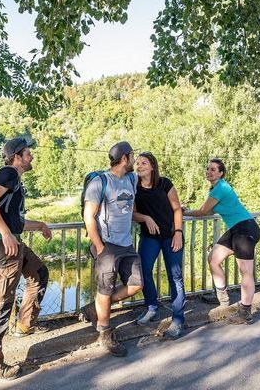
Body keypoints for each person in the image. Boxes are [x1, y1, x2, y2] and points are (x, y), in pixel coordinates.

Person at [0, 137, 53, 382]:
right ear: (17, 157)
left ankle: (24, 325)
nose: (31, 156)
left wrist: (39, 225)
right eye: (28, 152)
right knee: (0, 305)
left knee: (39, 274)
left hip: (14, 243)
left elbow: (16, 221)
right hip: (3, 248)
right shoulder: (8, 173)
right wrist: (5, 234)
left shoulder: (15, 181)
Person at [80, 141, 143, 357]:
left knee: (136, 284)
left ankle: (93, 309)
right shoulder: (100, 182)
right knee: (105, 289)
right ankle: (104, 333)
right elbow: (88, 216)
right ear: (124, 158)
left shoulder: (131, 179)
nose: (135, 160)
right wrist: (99, 247)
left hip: (126, 243)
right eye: (133, 156)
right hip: (107, 246)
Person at [183, 158, 260, 324]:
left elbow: (203, 211)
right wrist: (188, 211)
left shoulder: (221, 187)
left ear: (221, 173)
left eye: (213, 169)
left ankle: (245, 311)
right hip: (236, 229)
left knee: (245, 271)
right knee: (213, 259)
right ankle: (222, 298)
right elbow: (210, 211)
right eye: (208, 169)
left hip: (246, 229)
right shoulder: (216, 188)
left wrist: (183, 212)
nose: (209, 172)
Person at [132, 152, 186, 339]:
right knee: (143, 272)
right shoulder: (134, 187)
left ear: (152, 166)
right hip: (149, 238)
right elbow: (133, 214)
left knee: (175, 277)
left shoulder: (165, 183)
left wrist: (178, 233)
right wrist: (145, 218)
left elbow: (177, 209)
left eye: (144, 163)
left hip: (171, 236)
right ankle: (152, 307)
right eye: (137, 163)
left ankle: (178, 320)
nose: (139, 166)